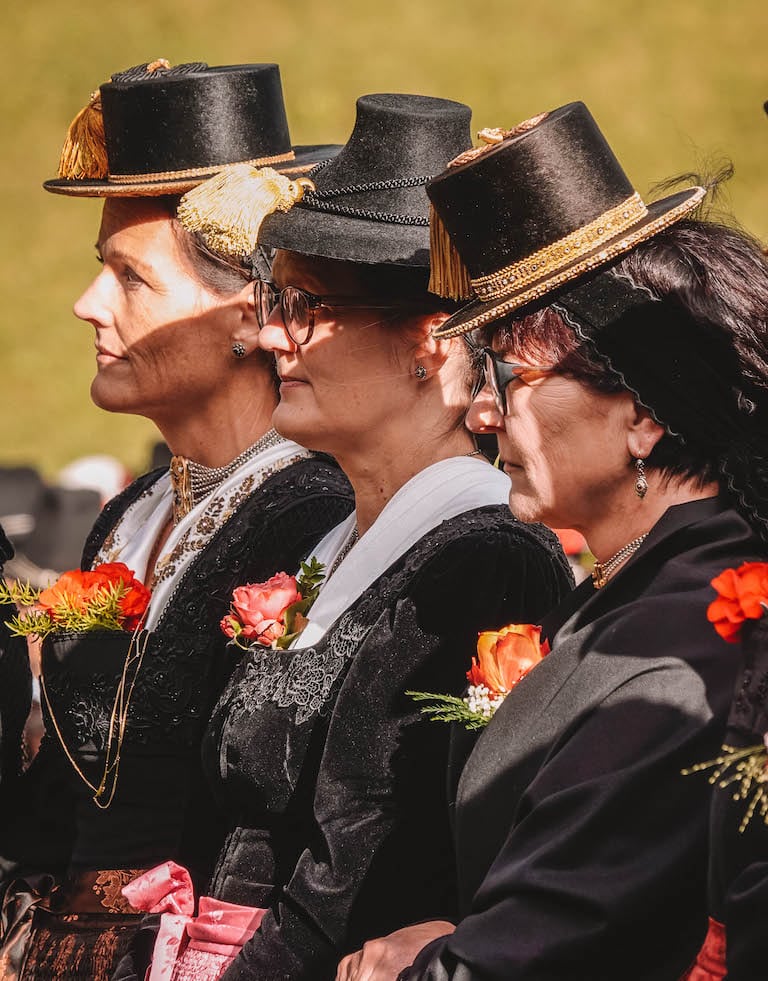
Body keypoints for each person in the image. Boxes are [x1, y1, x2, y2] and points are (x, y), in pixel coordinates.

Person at [122, 93, 572, 981]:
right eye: (279, 300)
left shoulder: (489, 562)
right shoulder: (321, 543)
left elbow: (383, 866)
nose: (276, 336)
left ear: (431, 341)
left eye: (312, 305)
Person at [336, 102, 768, 981]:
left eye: (510, 374)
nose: (482, 408)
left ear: (642, 412)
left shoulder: (682, 635)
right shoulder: (639, 587)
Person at [0, 60, 353, 980]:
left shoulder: (315, 513)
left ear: (248, 313)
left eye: (129, 277)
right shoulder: (128, 514)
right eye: (98, 271)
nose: (88, 305)